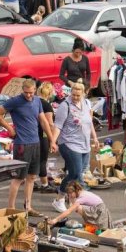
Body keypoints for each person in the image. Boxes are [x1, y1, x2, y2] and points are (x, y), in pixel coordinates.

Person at [0, 78, 53, 216]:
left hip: (35, 142)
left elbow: (43, 121)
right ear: (22, 90)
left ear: (35, 91)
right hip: (22, 144)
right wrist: (9, 128)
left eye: (31, 93)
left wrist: (51, 140)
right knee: (19, 178)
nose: (28, 96)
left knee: (31, 177)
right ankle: (11, 208)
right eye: (26, 93)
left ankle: (28, 207)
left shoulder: (37, 101)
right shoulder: (15, 101)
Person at [49, 81, 99, 213]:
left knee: (78, 173)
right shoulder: (65, 106)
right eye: (73, 94)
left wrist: (95, 137)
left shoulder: (87, 103)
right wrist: (53, 141)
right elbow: (58, 125)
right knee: (75, 172)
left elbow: (89, 123)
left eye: (78, 95)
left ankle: (76, 198)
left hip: (84, 144)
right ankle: (59, 198)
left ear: (83, 94)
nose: (75, 97)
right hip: (69, 143)